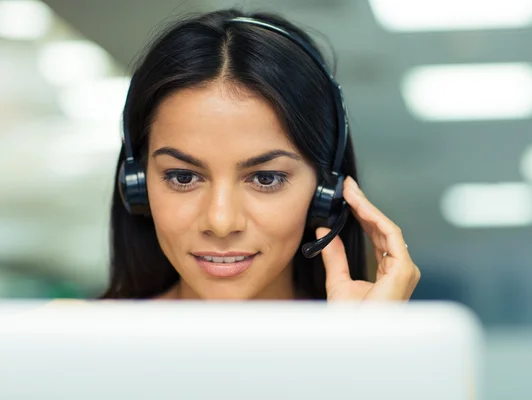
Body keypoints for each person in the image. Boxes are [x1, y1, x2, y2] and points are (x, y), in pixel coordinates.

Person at [101, 9, 420, 301]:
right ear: (136, 186)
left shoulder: (364, 346)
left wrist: (366, 346)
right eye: (183, 177)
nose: (221, 222)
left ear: (326, 195)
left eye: (266, 178)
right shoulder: (75, 343)